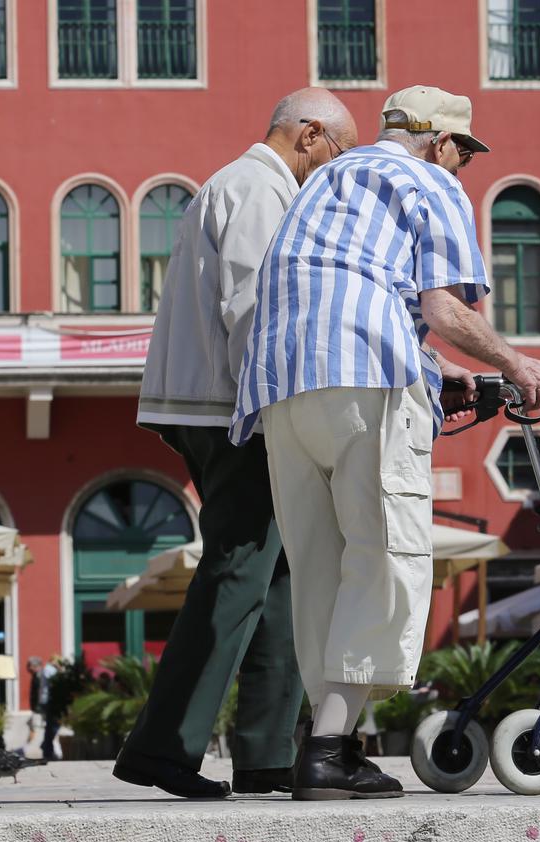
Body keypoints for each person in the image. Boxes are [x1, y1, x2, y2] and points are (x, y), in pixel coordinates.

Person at [230, 85, 540, 800]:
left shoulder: (324, 179)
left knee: (318, 568)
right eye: (464, 151)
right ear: (439, 142)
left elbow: (345, 287)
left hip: (281, 385)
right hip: (365, 383)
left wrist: (436, 369)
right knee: (387, 558)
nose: (463, 165)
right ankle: (327, 750)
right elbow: (442, 307)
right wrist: (515, 362)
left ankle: (328, 741)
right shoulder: (428, 181)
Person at [113, 88, 359, 800]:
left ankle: (265, 751)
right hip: (238, 407)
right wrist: (289, 402)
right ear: (308, 134)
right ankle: (163, 746)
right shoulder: (259, 188)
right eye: (336, 155)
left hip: (218, 402)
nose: (334, 173)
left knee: (279, 575)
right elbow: (255, 306)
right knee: (243, 566)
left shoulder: (246, 184)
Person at [26, 656, 59, 761]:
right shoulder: (45, 672)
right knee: (50, 727)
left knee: (51, 727)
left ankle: (46, 748)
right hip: (45, 704)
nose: (29, 668)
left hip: (44, 704)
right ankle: (47, 749)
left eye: (30, 666)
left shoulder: (44, 672)